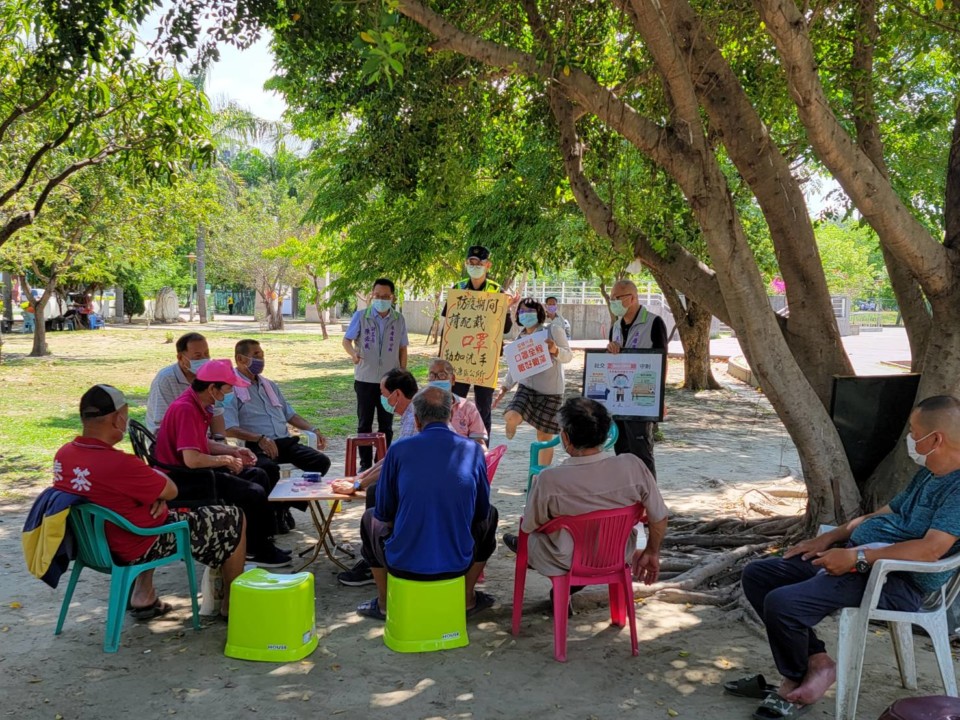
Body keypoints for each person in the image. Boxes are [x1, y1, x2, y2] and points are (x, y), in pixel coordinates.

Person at [734, 395, 960, 719]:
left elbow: (931, 549)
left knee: (784, 604)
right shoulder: (929, 473)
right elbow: (883, 513)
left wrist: (857, 558)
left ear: (935, 439)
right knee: (759, 575)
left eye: (913, 431)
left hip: (896, 580)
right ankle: (817, 663)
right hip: (865, 561)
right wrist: (829, 537)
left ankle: (795, 683)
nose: (909, 440)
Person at [53, 384, 247, 618]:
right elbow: (172, 490)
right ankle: (232, 605)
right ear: (117, 419)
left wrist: (153, 498)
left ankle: (143, 594)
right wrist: (158, 496)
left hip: (91, 543)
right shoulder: (121, 463)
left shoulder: (63, 454)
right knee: (233, 517)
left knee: (149, 512)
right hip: (136, 543)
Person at [503, 397, 667, 609]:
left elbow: (531, 525)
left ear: (565, 438)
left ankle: (554, 576)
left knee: (530, 535)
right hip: (617, 554)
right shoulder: (633, 466)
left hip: (564, 558)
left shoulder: (550, 479)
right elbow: (659, 516)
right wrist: (652, 551)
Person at [353, 386, 499, 620]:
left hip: (402, 562)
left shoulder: (399, 450)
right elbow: (481, 511)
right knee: (490, 516)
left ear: (417, 421)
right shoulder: (472, 450)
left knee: (369, 518)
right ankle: (466, 598)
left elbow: (384, 511)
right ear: (450, 416)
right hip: (458, 561)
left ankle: (384, 603)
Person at [154, 359, 291, 567]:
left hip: (191, 472)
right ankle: (257, 549)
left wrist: (233, 450)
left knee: (259, 473)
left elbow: (199, 443)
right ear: (212, 388)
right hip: (181, 479)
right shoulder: (186, 409)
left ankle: (256, 542)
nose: (228, 394)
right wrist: (225, 460)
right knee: (252, 491)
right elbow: (192, 459)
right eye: (227, 389)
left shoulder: (197, 404)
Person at [223, 339, 331, 533]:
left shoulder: (269, 385)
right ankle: (273, 513)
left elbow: (290, 414)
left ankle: (282, 507)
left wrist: (314, 429)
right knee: (267, 470)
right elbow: (228, 428)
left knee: (320, 462)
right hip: (255, 445)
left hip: (283, 442)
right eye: (256, 355)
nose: (261, 359)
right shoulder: (231, 388)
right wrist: (259, 439)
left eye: (262, 355)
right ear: (240, 359)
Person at [331, 368, 418, 587]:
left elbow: (395, 463)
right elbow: (392, 456)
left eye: (383, 392)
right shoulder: (410, 413)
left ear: (396, 394)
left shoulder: (416, 415)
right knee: (374, 488)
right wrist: (359, 476)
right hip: (413, 477)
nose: (382, 398)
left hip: (417, 485)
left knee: (376, 492)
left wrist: (358, 484)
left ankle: (376, 561)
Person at [441, 245, 517, 438]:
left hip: (485, 360)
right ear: (466, 263)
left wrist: (506, 309)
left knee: (484, 409)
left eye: (479, 263)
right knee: (455, 405)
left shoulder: (496, 290)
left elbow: (505, 329)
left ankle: (482, 454)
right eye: (471, 262)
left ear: (488, 265)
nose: (474, 266)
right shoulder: (457, 289)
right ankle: (456, 446)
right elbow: (448, 324)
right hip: (459, 360)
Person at [493, 298, 572, 467]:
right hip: (526, 388)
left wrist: (555, 350)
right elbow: (516, 367)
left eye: (529, 311)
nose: (525, 314)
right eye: (521, 311)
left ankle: (541, 473)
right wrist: (504, 388)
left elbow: (568, 356)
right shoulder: (520, 337)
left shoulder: (553, 330)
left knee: (543, 437)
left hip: (550, 391)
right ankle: (511, 425)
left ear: (539, 313)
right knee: (511, 416)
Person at [341, 278, 409, 472]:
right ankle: (364, 465)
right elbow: (346, 341)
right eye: (377, 296)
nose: (381, 299)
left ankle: (383, 463)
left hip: (390, 382)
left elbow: (403, 348)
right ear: (372, 295)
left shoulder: (399, 319)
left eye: (385, 296)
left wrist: (402, 372)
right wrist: (353, 354)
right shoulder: (361, 316)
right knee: (364, 424)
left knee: (386, 425)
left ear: (392, 297)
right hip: (365, 379)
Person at [606, 279, 668, 478]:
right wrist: (610, 350)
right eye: (611, 298)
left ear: (632, 298)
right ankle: (627, 499)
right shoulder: (615, 326)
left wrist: (660, 398)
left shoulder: (653, 322)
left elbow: (662, 362)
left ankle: (650, 503)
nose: (613, 302)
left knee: (641, 452)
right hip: (618, 399)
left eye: (617, 298)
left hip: (642, 399)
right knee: (621, 451)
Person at [145, 332, 224, 438]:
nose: (204, 360)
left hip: (202, 440)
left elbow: (216, 413)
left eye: (206, 354)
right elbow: (162, 424)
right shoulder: (165, 379)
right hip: (169, 440)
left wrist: (221, 441)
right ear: (181, 358)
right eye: (198, 356)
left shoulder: (209, 377)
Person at [426, 358, 487, 448]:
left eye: (442, 375)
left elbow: (479, 443)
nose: (436, 380)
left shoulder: (468, 408)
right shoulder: (420, 406)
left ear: (453, 379)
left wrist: (483, 454)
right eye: (432, 376)